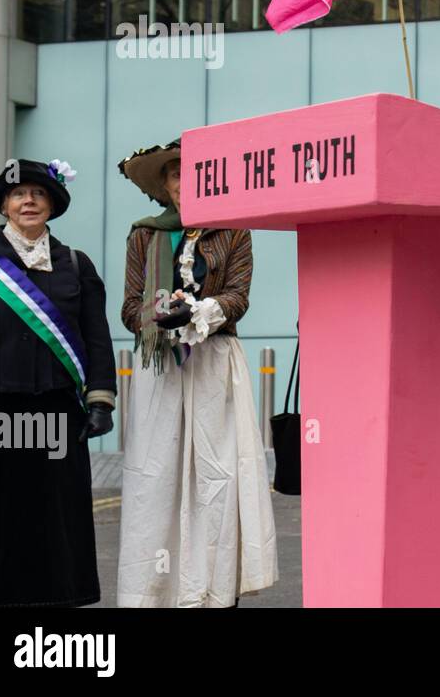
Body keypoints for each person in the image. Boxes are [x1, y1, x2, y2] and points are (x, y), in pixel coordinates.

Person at [116, 139, 277, 607]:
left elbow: (238, 297)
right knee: (158, 478)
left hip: (214, 364)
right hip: (161, 367)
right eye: (175, 175)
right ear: (165, 187)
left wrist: (199, 313)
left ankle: (216, 591)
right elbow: (128, 306)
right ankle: (155, 593)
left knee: (218, 476)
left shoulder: (234, 231)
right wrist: (156, 314)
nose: (186, 183)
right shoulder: (144, 235)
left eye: (196, 173)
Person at [0, 158, 116, 606]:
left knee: (59, 509)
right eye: (18, 195)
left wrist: (101, 400)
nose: (28, 201)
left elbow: (96, 337)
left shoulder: (75, 263)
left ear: (52, 204)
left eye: (38, 194)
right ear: (5, 205)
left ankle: (57, 600)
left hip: (57, 408)